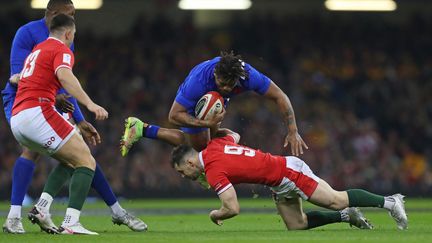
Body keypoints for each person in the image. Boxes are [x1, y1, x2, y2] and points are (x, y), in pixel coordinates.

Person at [1, 0, 146, 234]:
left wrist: (78, 119)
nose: (73, 19)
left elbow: (59, 83)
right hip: (27, 103)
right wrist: (89, 104)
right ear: (56, 17)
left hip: (34, 106)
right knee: (68, 155)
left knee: (74, 151)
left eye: (74, 14)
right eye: (70, 15)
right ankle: (28, 217)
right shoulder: (31, 35)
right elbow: (24, 78)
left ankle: (47, 208)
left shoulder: (44, 46)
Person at [120, 51, 308, 187]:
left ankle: (144, 129)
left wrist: (292, 130)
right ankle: (142, 128)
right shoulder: (199, 82)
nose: (226, 87)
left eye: (230, 84)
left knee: (210, 141)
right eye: (222, 83)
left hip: (215, 101)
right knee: (199, 146)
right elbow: (174, 115)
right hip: (196, 102)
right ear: (215, 75)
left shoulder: (249, 76)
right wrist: (205, 124)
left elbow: (280, 96)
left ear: (238, 78)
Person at [170, 128, 408, 230]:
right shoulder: (216, 145)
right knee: (297, 225)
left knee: (336, 199)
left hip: (288, 174)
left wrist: (215, 214)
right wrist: (217, 130)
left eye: (182, 171)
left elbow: (232, 208)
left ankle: (390, 202)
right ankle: (348, 216)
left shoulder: (212, 170)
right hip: (278, 180)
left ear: (190, 162)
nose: (184, 176)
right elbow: (234, 135)